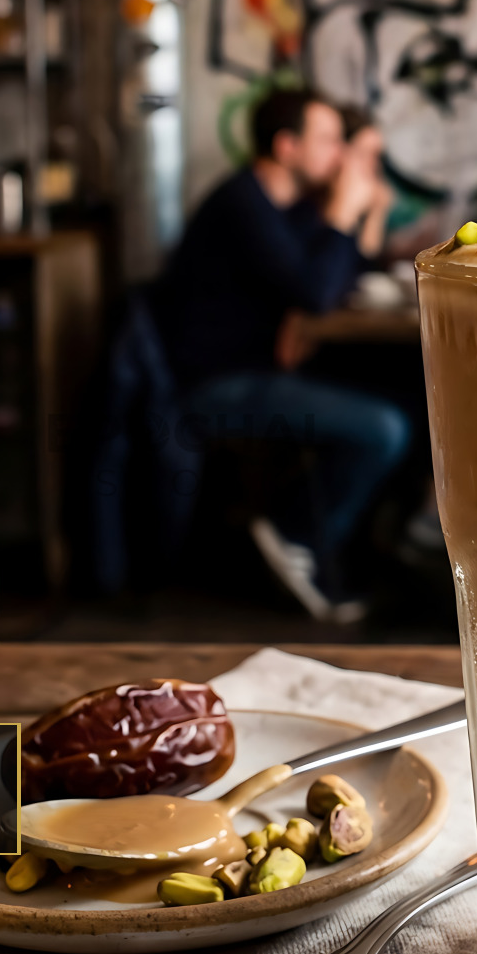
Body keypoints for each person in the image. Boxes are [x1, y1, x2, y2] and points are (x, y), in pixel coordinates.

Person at [155, 86, 410, 623]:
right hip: (214, 386)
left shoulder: (279, 205)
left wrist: (352, 220)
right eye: (327, 140)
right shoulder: (242, 203)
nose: (340, 155)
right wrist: (344, 210)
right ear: (286, 146)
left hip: (256, 370)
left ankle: (360, 548)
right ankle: (296, 536)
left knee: (407, 398)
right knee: (385, 428)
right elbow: (315, 292)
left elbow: (334, 280)